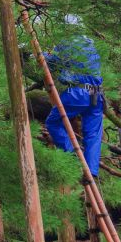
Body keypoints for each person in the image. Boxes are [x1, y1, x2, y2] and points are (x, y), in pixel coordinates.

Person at [44, 14, 105, 176]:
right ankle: (91, 170)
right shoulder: (90, 43)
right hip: (96, 92)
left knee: (53, 122)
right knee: (92, 133)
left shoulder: (66, 43)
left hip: (78, 91)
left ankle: (72, 157)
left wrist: (36, 55)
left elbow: (52, 62)